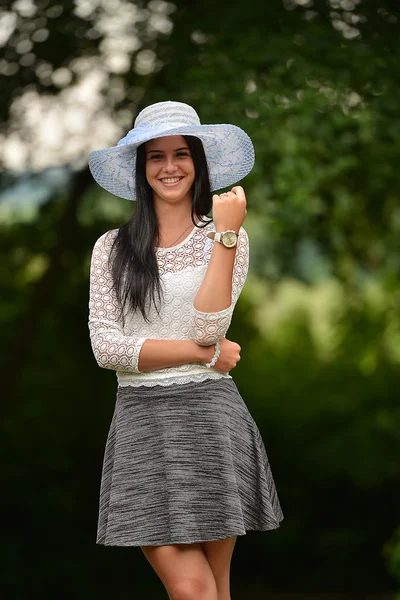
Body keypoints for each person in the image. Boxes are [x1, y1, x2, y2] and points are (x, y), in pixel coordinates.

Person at [88, 101, 283, 600]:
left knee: (217, 587)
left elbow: (209, 325)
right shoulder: (110, 248)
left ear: (199, 163)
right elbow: (107, 347)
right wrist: (199, 356)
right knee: (193, 589)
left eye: (181, 154)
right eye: (155, 156)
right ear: (141, 168)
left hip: (212, 419)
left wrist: (226, 233)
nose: (169, 167)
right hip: (143, 422)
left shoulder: (226, 239)